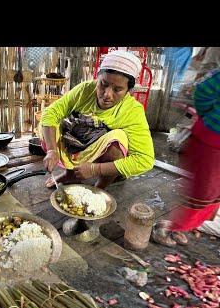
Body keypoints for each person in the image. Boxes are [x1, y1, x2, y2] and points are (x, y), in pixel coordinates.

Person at [40, 50, 154, 190]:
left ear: (128, 91)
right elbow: (51, 112)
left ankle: (99, 188)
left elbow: (145, 160)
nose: (107, 94)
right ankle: (70, 175)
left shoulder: (132, 110)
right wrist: (52, 150)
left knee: (118, 139)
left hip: (102, 154)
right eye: (103, 84)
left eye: (117, 90)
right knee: (50, 125)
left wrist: (95, 169)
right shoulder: (85, 90)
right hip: (77, 143)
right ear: (97, 78)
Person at [152, 68, 220, 246]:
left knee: (214, 194)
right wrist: (209, 116)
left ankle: (182, 226)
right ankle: (168, 227)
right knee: (202, 193)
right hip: (211, 141)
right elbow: (203, 92)